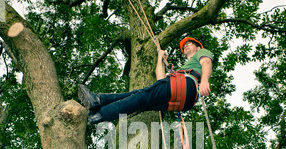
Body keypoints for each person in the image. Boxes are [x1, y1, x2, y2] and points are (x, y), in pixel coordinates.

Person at [78, 37, 213, 124]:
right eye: (184, 46)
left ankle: (99, 108)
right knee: (139, 99)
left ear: (198, 47)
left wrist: (205, 81)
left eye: (189, 44)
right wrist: (160, 58)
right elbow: (160, 80)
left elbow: (206, 62)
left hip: (186, 85)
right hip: (182, 100)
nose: (186, 46)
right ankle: (98, 109)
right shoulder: (184, 68)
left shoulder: (201, 54)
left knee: (142, 96)